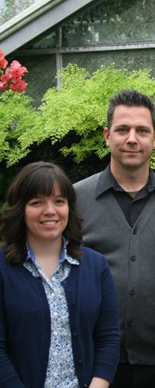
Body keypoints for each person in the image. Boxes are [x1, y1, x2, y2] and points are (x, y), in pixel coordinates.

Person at [74, 89, 155, 388]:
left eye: (141, 130)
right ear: (107, 135)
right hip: (92, 360)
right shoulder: (76, 200)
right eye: (122, 130)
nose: (132, 138)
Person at [0, 162, 120, 388]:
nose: (50, 211)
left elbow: (108, 339)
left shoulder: (95, 266)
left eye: (59, 201)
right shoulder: (3, 269)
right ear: (20, 209)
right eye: (37, 202)